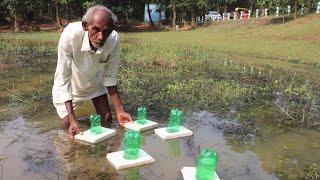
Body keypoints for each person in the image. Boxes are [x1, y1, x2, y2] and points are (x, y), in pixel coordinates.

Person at [52, 5, 133, 139]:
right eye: (95, 30)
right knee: (67, 124)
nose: (100, 37)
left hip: (95, 82)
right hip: (72, 85)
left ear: (111, 30)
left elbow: (110, 76)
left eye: (106, 31)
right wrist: (73, 120)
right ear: (85, 26)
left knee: (106, 119)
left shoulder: (113, 39)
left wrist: (120, 111)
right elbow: (63, 78)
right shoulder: (70, 35)